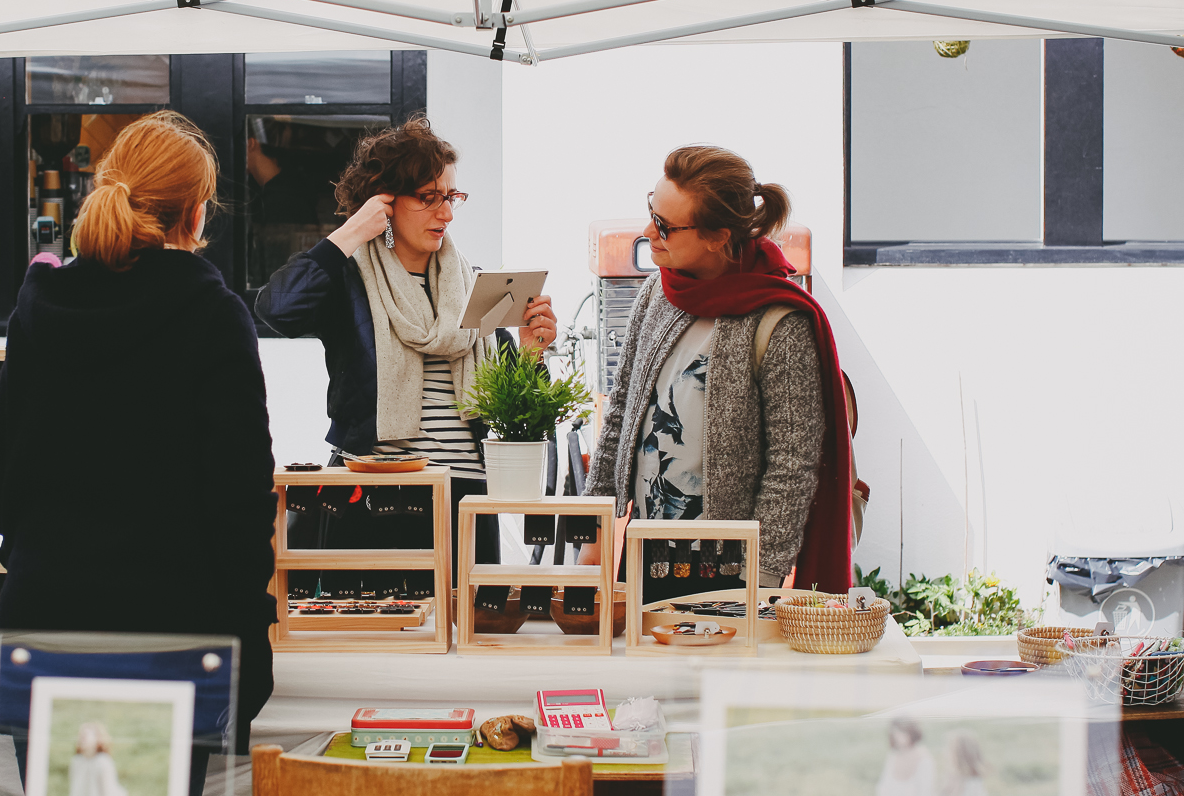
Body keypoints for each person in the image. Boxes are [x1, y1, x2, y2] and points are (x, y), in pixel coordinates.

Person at [0, 111, 275, 796]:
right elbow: (241, 503)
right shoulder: (212, 315)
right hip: (165, 643)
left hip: (42, 633)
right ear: (194, 213)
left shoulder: (40, 305)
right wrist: (252, 619)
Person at [256, 118, 557, 604]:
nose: (446, 213)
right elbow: (277, 309)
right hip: (373, 500)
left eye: (451, 197)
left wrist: (530, 353)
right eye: (427, 197)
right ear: (385, 202)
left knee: (465, 649)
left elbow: (515, 414)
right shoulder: (350, 280)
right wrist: (350, 233)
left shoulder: (473, 285)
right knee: (370, 647)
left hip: (464, 502)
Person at [584, 144, 855, 600]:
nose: (650, 231)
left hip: (726, 573)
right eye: (651, 211)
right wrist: (591, 532)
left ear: (718, 236)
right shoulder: (655, 295)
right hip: (644, 553)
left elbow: (793, 465)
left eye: (667, 226)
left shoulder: (779, 322)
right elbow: (621, 413)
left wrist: (761, 578)